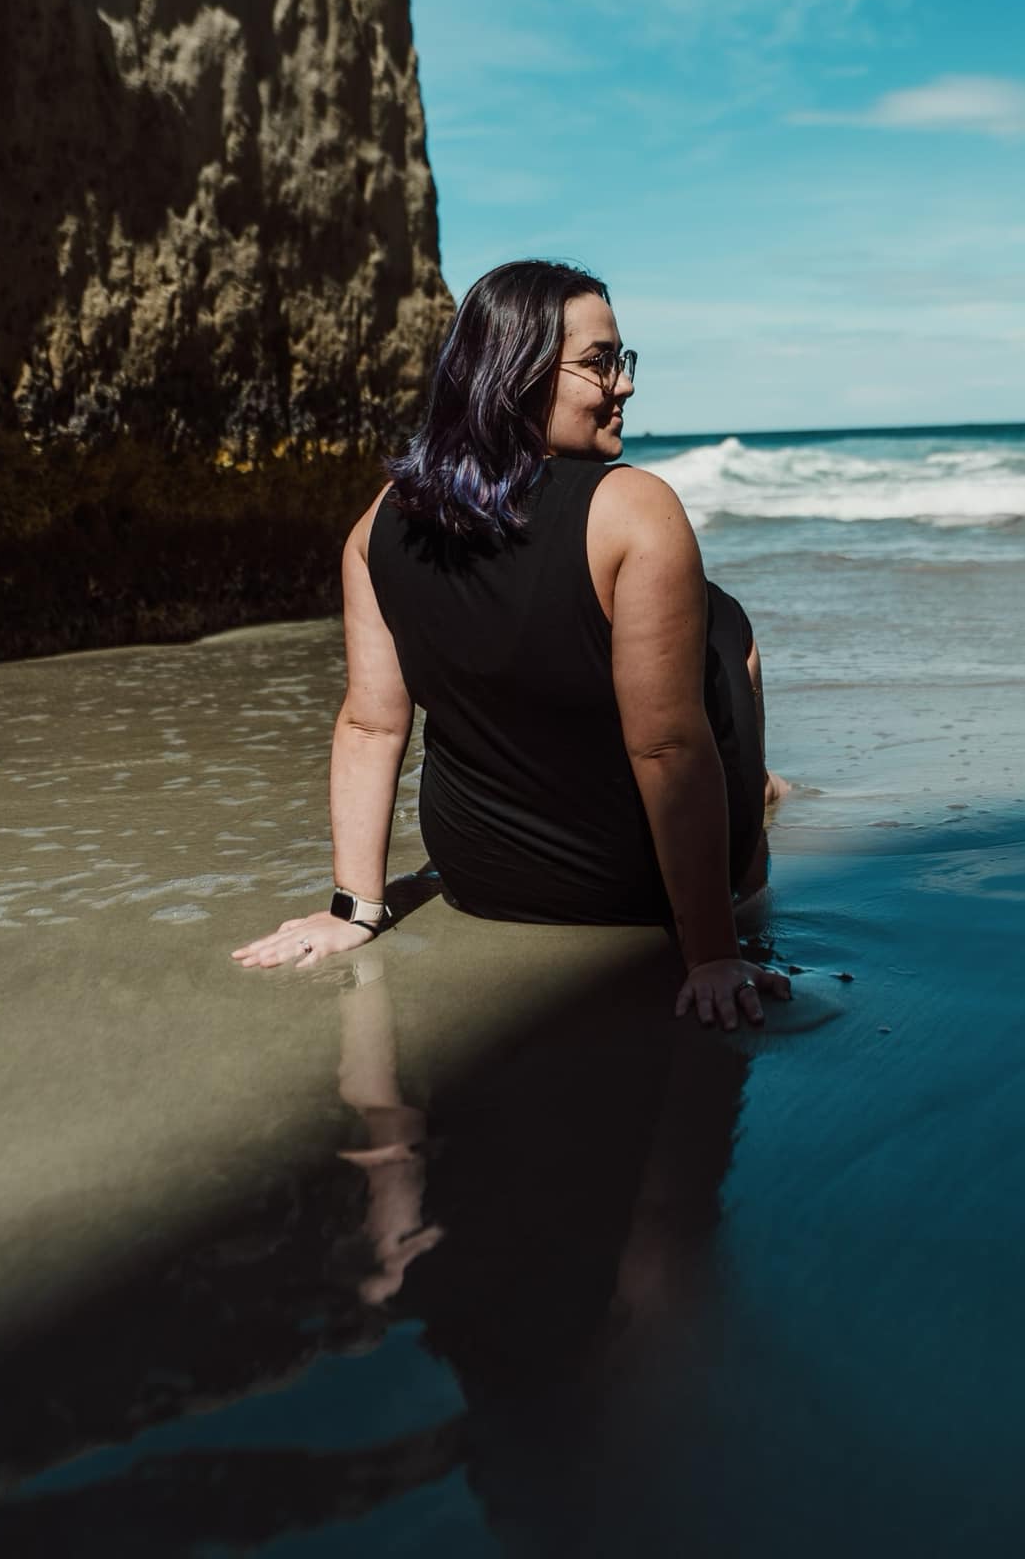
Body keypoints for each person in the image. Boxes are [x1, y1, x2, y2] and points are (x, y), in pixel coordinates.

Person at [233, 260, 792, 1030]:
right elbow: (664, 747)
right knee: (725, 624)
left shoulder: (382, 521)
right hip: (639, 896)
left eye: (622, 361)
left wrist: (354, 910)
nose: (624, 384)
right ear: (518, 375)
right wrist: (711, 954)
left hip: (479, 880)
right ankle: (757, 801)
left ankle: (759, 786)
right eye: (601, 363)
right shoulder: (635, 507)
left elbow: (371, 725)